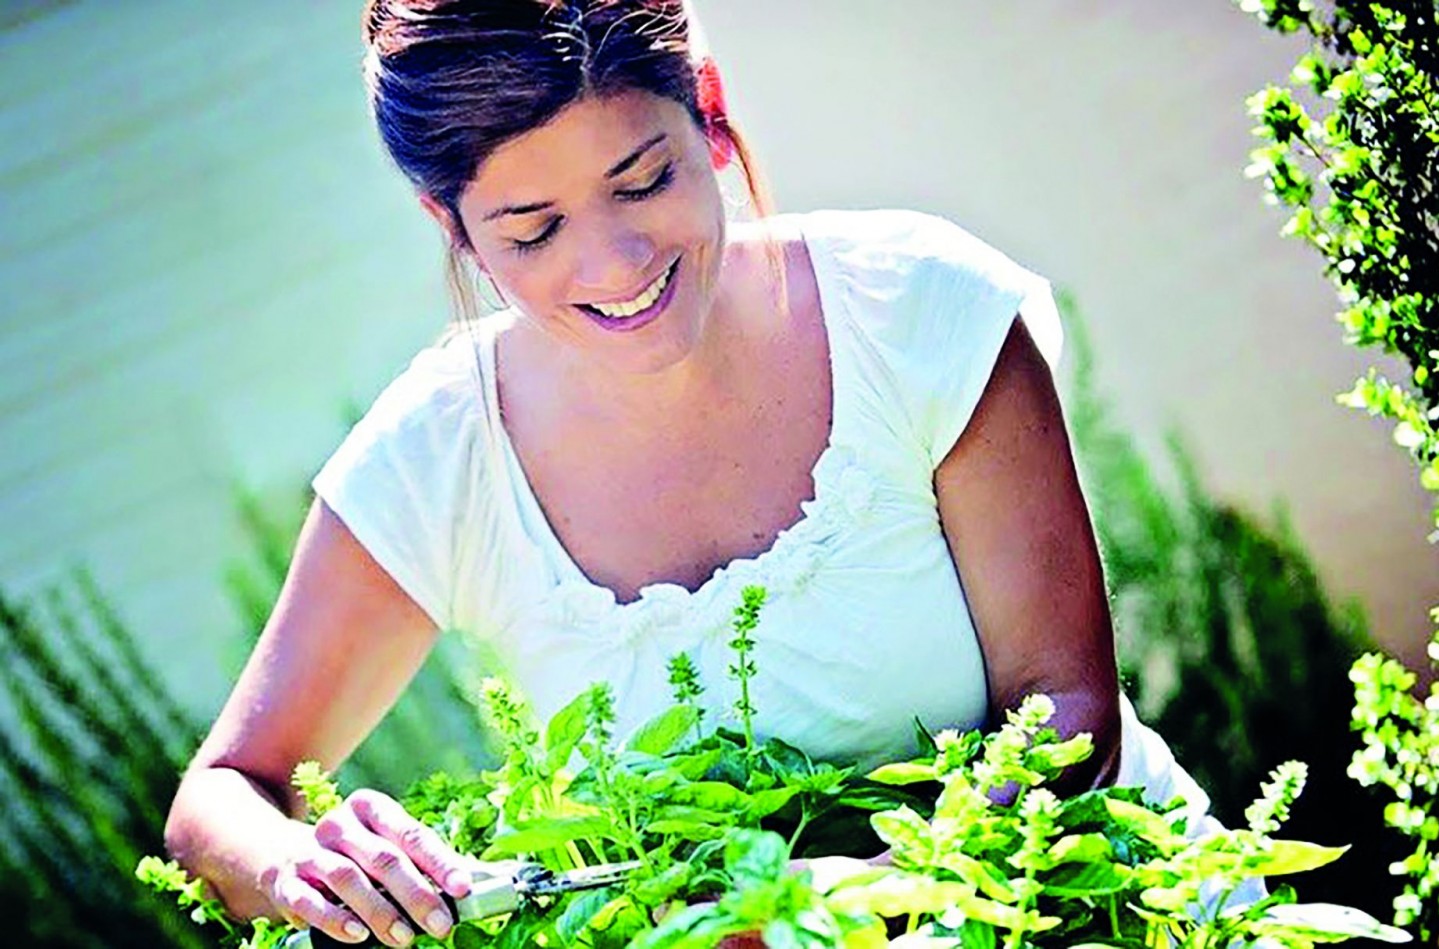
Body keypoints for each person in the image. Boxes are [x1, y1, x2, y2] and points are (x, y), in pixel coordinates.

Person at [164, 2, 1238, 946]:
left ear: (709, 109)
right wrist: (307, 868)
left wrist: (854, 909)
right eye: (532, 231)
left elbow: (1067, 707)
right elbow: (222, 796)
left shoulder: (914, 312)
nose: (616, 264)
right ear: (447, 222)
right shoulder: (437, 462)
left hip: (1112, 906)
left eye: (645, 181)